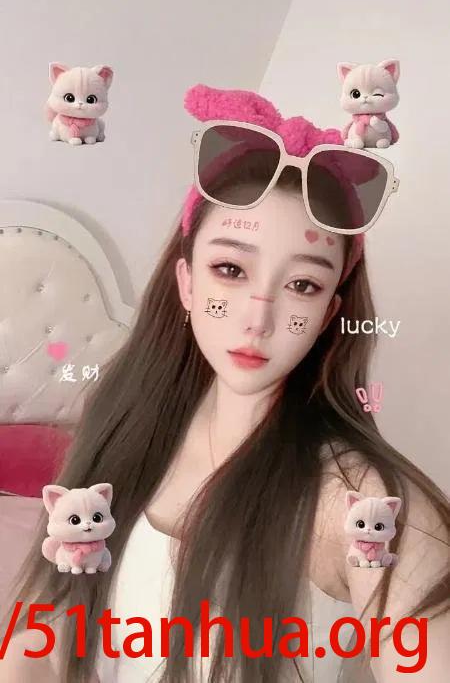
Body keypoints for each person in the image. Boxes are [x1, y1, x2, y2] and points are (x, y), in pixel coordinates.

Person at [1, 86, 448, 683]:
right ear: (187, 283)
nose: (257, 319)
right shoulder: (122, 418)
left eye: (303, 286)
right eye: (231, 269)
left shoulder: (357, 499)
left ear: (328, 314)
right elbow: (43, 629)